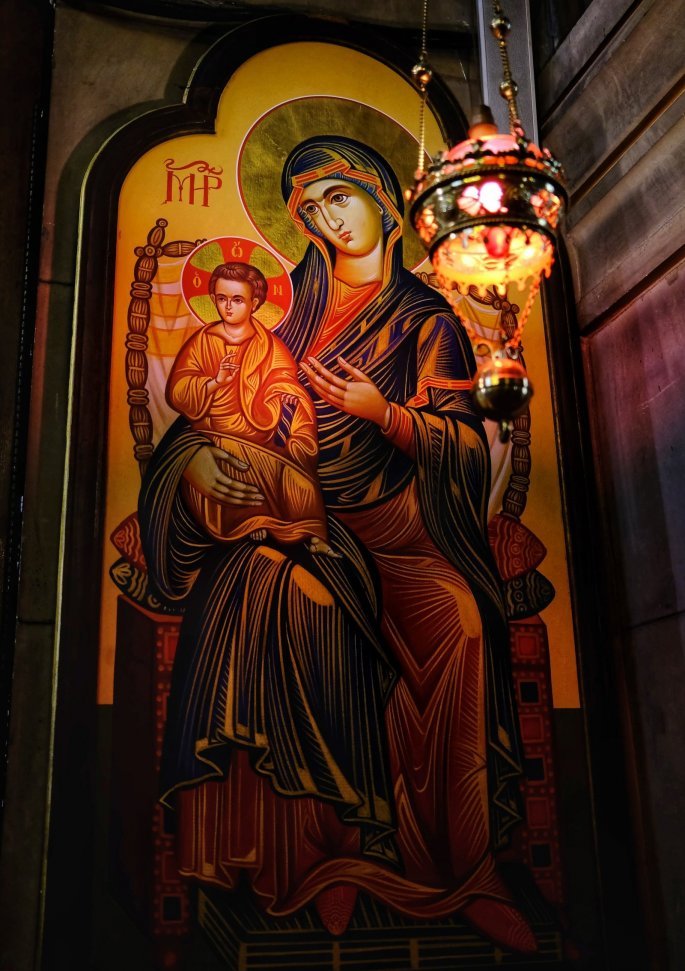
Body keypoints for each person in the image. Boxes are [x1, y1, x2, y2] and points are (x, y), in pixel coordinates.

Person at [140, 135, 535, 953]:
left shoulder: (427, 321)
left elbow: (467, 448)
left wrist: (382, 413)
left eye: (340, 197)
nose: (329, 220)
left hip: (402, 529)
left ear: (384, 201)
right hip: (303, 516)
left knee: (461, 623)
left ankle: (463, 870)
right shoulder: (286, 316)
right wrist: (200, 461)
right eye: (311, 210)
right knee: (284, 598)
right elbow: (210, 416)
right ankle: (321, 859)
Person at [166, 260, 336, 556]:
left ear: (254, 303)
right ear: (212, 299)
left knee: (297, 478)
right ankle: (252, 521)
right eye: (222, 298)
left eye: (237, 300)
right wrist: (215, 382)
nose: (228, 307)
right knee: (233, 468)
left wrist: (285, 397)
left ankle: (313, 535)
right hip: (216, 436)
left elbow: (286, 382)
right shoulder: (202, 342)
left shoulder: (269, 345)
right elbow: (179, 392)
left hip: (263, 436)